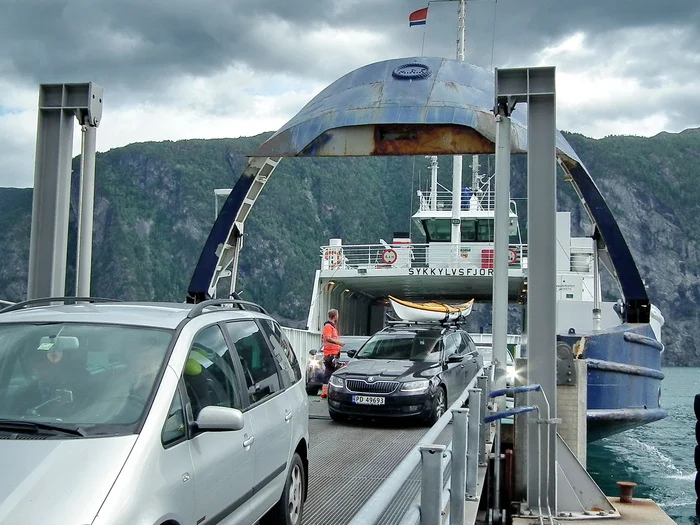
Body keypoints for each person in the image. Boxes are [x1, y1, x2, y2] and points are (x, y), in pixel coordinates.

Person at [321, 309, 344, 398]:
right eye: (337, 315)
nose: (338, 317)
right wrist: (339, 343)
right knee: (339, 371)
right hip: (331, 354)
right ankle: (339, 392)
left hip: (332, 354)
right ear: (335, 316)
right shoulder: (328, 327)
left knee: (328, 372)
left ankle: (325, 392)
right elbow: (328, 338)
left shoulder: (332, 327)